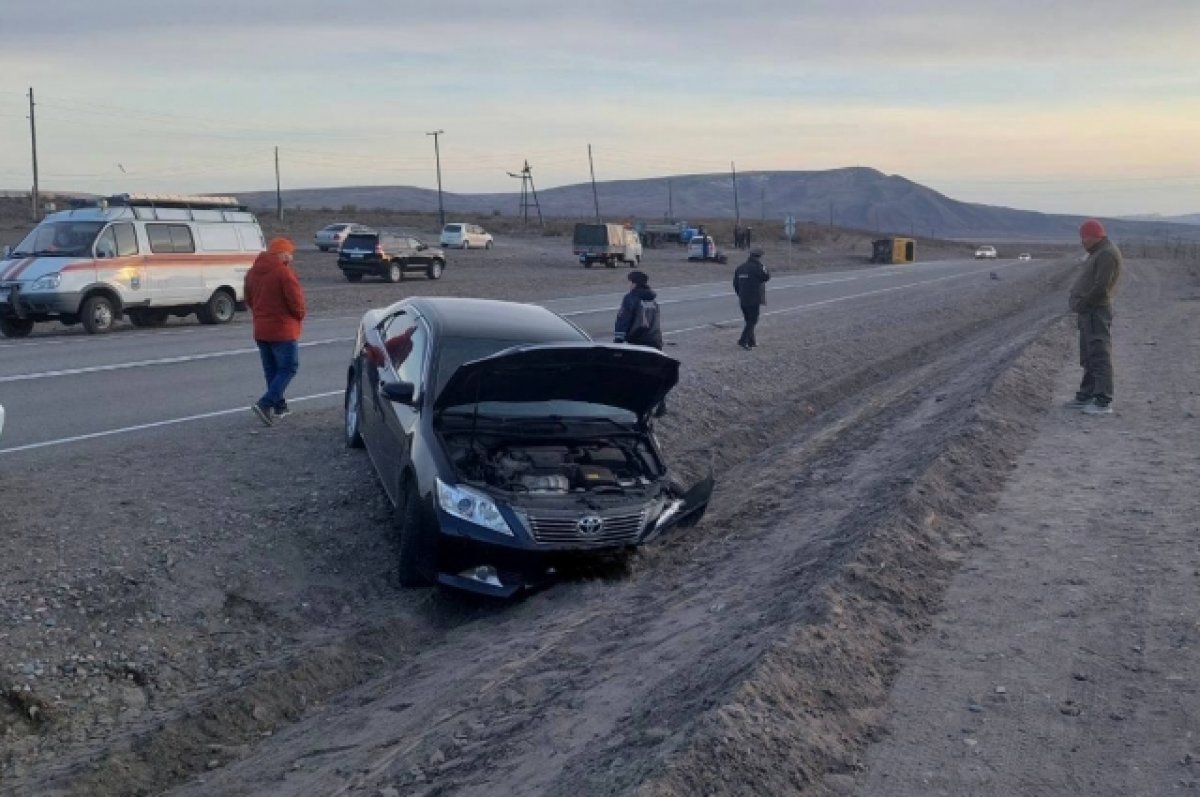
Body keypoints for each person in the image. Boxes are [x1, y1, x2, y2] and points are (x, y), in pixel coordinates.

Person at [244, 237, 306, 426]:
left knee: (271, 370)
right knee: (288, 367)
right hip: (283, 329)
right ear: (280, 253)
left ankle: (279, 406)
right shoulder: (283, 273)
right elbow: (296, 302)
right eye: (289, 253)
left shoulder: (253, 272)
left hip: (261, 328)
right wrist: (299, 315)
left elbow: (248, 299)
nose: (291, 257)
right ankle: (265, 404)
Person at [1068, 219, 1123, 415]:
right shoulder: (1098, 252)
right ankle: (1087, 394)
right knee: (1089, 354)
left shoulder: (1107, 254)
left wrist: (1083, 303)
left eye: (1084, 238)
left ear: (1094, 236)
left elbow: (1101, 286)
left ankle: (1102, 400)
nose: (1082, 242)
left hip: (1096, 310)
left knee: (1099, 353)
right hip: (1089, 311)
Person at [614, 270, 667, 416]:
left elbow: (623, 319)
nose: (629, 285)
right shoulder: (653, 299)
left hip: (638, 341)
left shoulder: (631, 298)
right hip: (655, 340)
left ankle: (640, 407)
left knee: (638, 374)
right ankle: (660, 404)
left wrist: (618, 340)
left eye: (630, 281)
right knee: (655, 373)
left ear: (634, 283)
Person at [733, 247, 770, 350]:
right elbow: (766, 277)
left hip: (743, 299)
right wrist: (763, 267)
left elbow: (735, 284)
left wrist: (740, 294)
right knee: (753, 320)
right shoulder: (758, 267)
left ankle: (751, 341)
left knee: (748, 320)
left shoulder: (740, 268)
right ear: (759, 257)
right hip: (754, 298)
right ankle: (743, 340)